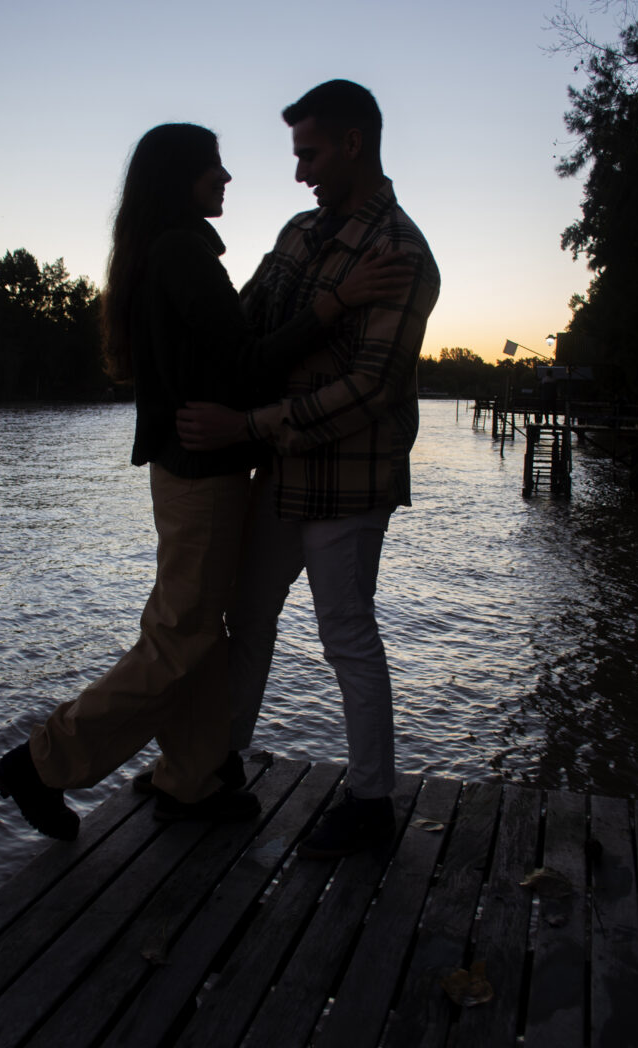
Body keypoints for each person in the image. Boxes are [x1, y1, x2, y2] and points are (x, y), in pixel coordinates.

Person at [0, 121, 406, 841]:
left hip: (197, 471)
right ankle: (39, 763)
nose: (227, 177)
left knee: (199, 632)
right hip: (203, 475)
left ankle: (193, 775)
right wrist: (334, 305)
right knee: (178, 639)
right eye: (213, 166)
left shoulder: (170, 250)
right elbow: (245, 362)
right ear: (179, 176)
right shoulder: (181, 252)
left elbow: (228, 342)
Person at [176, 80, 441, 859]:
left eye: (310, 154)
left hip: (350, 481)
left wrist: (246, 425)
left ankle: (370, 805)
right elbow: (250, 320)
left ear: (353, 144)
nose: (300, 174)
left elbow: (372, 387)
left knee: (346, 634)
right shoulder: (298, 234)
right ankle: (218, 763)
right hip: (284, 476)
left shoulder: (402, 250)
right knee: (246, 618)